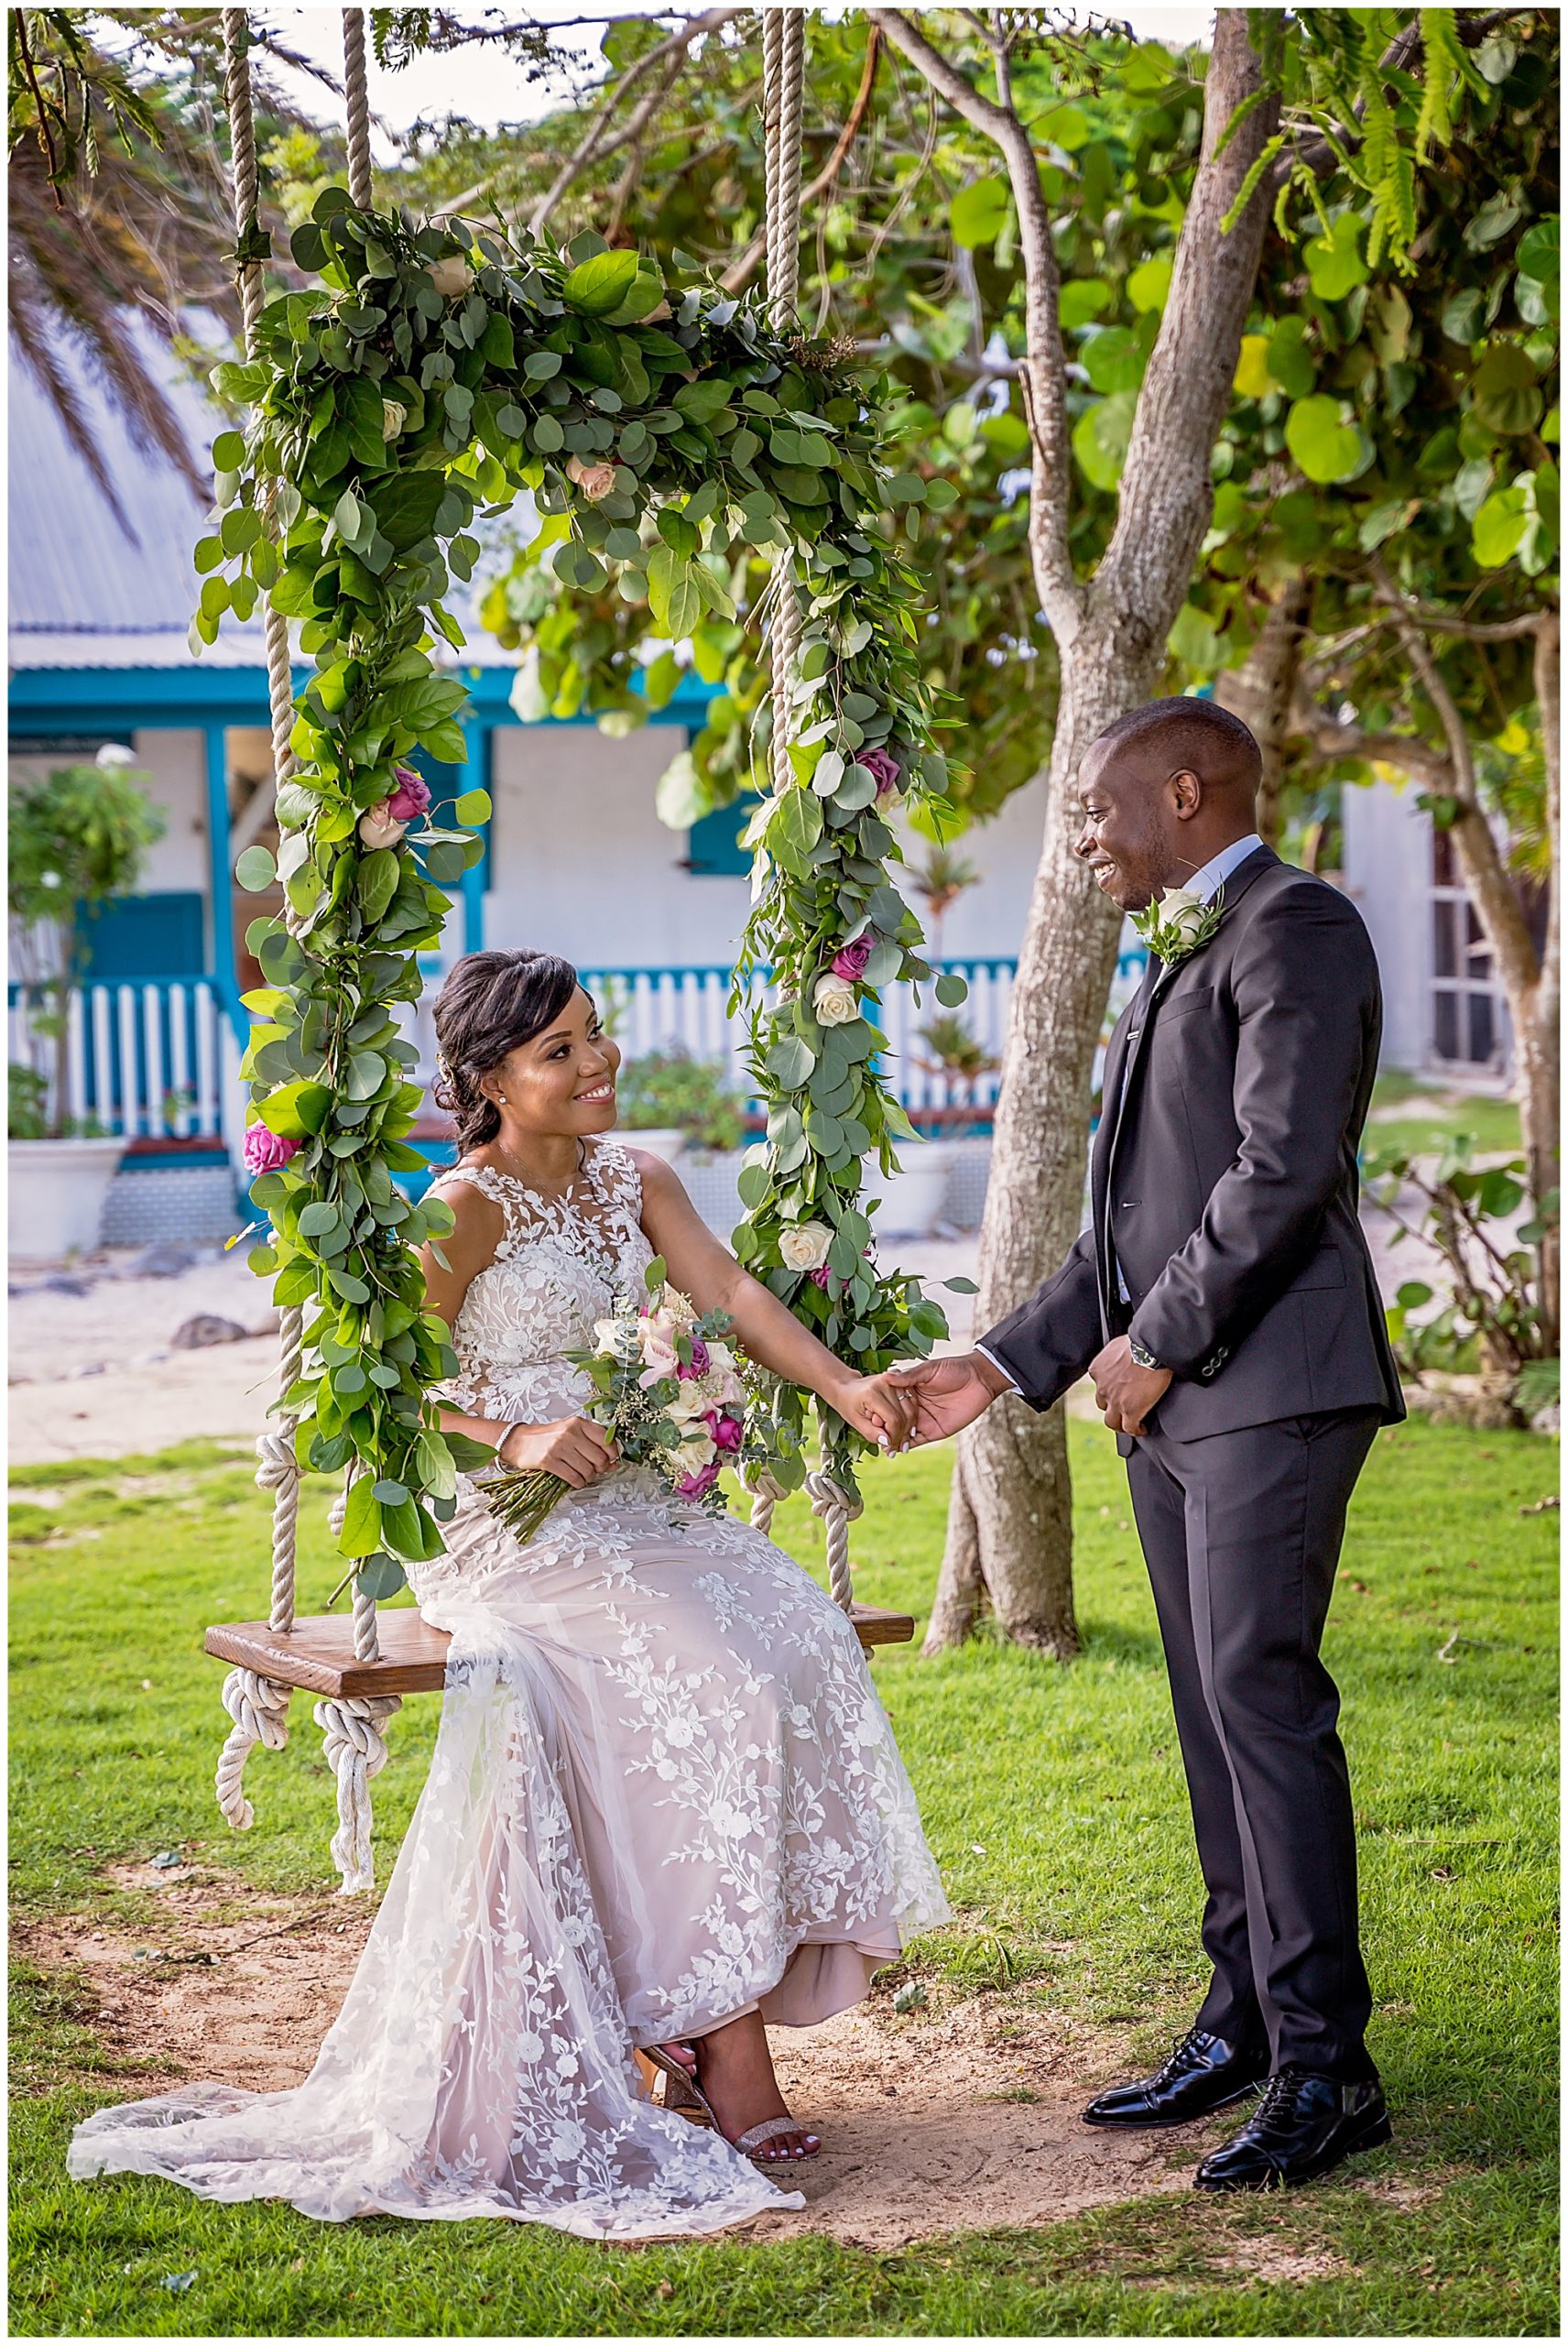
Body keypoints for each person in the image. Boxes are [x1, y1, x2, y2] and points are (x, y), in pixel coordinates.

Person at [70, 949, 948, 2241]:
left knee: (791, 1631)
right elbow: (382, 1385)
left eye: (595, 1035)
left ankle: (703, 2009)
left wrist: (844, 1389)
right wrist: (515, 1433)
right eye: (560, 1052)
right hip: (501, 1522)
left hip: (623, 1501)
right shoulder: (461, 1206)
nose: (596, 1064)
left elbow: (734, 1293)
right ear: (490, 1081)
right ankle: (719, 2041)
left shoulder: (635, 1179)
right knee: (699, 1679)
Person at [889, 698, 1403, 2194]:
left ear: (1183, 794)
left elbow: (1279, 1176)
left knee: (1262, 1700)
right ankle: (1242, 2021)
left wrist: (1159, 1342)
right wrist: (999, 1361)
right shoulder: (1178, 946)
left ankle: (1330, 2068)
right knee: (1209, 1712)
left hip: (1273, 1388)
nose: (1087, 840)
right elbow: (1134, 1231)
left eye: (1101, 812)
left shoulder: (1295, 925)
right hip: (1174, 1402)